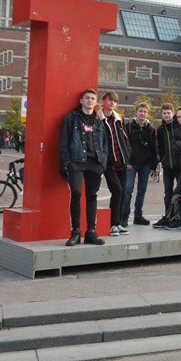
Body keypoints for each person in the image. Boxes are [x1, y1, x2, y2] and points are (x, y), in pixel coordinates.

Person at [59, 89, 108, 246]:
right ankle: (75, 233)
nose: (90, 101)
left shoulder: (99, 122)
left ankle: (91, 233)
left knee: (92, 196)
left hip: (95, 163)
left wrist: (103, 164)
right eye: (87, 98)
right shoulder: (71, 118)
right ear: (81, 100)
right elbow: (64, 142)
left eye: (93, 98)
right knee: (76, 193)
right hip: (76, 162)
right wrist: (67, 163)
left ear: (95, 102)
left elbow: (104, 144)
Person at [98, 91, 132, 234]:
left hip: (122, 161)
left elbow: (124, 139)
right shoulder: (97, 119)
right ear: (103, 101)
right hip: (109, 163)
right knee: (117, 191)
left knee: (122, 193)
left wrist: (127, 156)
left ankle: (117, 223)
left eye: (115, 101)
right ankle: (113, 224)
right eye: (109, 100)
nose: (112, 103)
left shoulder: (119, 119)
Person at [124, 102, 158, 226]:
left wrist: (154, 166)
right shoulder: (128, 127)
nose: (142, 113)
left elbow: (154, 148)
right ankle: (124, 216)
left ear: (147, 113)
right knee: (127, 190)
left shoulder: (151, 129)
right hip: (131, 164)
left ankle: (138, 216)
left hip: (145, 164)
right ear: (136, 112)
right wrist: (126, 161)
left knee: (142, 191)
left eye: (145, 111)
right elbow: (124, 145)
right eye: (140, 111)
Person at [155, 104, 178, 223]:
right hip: (167, 165)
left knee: (180, 192)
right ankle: (168, 215)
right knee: (167, 192)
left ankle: (179, 216)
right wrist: (162, 159)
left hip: (179, 166)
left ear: (173, 113)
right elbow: (160, 147)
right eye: (164, 113)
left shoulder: (178, 126)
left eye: (168, 113)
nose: (166, 115)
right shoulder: (160, 130)